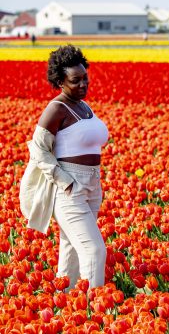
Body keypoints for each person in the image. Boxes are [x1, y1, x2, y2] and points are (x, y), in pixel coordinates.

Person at [19, 45, 109, 291]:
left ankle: (68, 308)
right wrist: (64, 179)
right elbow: (38, 150)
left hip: (91, 185)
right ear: (60, 81)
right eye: (75, 80)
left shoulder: (84, 106)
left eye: (85, 78)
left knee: (71, 247)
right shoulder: (56, 108)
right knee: (94, 250)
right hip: (70, 188)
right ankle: (96, 312)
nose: (83, 84)